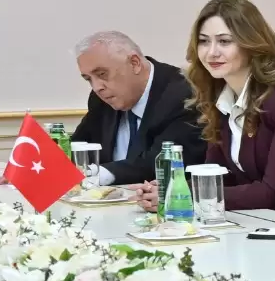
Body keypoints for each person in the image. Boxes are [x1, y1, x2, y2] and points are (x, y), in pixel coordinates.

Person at [138, 0, 275, 213]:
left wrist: (186, 195)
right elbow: (219, 176)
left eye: (224, 41)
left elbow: (273, 192)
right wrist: (172, 188)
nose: (212, 52)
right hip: (266, 221)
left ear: (251, 44)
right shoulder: (221, 98)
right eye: (204, 41)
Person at [64, 30, 202, 183]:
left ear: (134, 63)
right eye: (88, 79)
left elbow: (161, 163)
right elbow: (77, 147)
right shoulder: (100, 99)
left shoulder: (183, 95)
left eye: (102, 74)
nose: (97, 87)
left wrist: (98, 174)